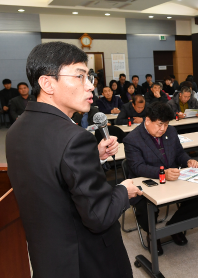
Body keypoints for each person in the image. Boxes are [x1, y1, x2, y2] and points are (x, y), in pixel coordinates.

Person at [6, 41, 141, 278]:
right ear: (47, 83)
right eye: (80, 76)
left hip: (48, 255)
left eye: (89, 77)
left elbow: (48, 172)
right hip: (87, 259)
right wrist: (123, 190)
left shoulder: (17, 128)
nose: (91, 86)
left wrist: (93, 156)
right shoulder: (73, 137)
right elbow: (98, 216)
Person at [124, 102, 198, 255]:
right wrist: (162, 173)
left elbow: (179, 153)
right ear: (147, 120)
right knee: (146, 206)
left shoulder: (172, 132)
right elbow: (137, 167)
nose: (163, 129)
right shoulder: (132, 139)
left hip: (173, 179)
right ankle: (152, 236)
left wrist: (188, 160)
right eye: (160, 124)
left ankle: (175, 227)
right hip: (145, 183)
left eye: (166, 124)